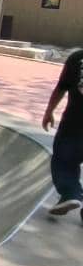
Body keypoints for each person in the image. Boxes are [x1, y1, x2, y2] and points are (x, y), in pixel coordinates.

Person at [42, 49, 83, 217]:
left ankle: (71, 193)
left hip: (73, 125)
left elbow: (61, 87)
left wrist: (49, 111)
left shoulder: (77, 58)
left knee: (63, 161)